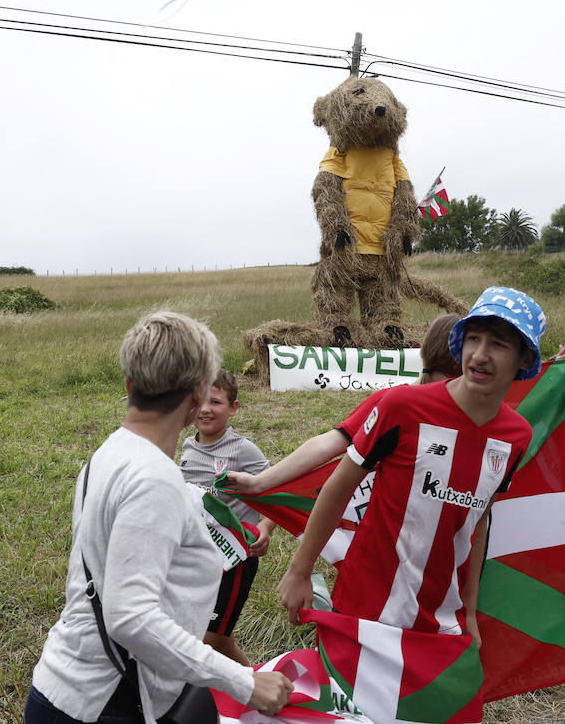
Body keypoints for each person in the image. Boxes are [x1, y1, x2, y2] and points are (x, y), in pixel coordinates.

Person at [26, 312, 292, 724]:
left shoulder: (109, 453)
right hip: (105, 704)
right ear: (198, 393)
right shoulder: (155, 478)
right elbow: (130, 617)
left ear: (129, 386)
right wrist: (245, 682)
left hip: (69, 688)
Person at [278, 287, 544, 673]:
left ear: (524, 359)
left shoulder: (516, 436)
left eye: (498, 344)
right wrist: (299, 571)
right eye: (473, 339)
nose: (480, 355)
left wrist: (469, 612)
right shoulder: (402, 406)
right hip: (364, 607)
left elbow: (479, 520)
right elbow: (338, 488)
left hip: (440, 619)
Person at [223, 312, 466, 496]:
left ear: (424, 351)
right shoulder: (396, 403)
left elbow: (328, 443)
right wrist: (259, 482)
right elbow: (330, 443)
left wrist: (260, 481)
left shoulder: (394, 400)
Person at [178, 368, 277, 664]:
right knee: (217, 638)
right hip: (199, 555)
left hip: (235, 557)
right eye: (200, 401)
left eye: (216, 402)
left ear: (233, 408)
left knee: (211, 641)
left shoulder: (242, 449)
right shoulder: (187, 446)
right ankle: (255, 687)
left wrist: (265, 527)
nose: (206, 409)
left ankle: (255, 692)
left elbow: (275, 488)